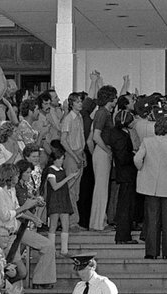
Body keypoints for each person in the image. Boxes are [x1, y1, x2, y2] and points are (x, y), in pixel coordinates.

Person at [0, 164, 56, 289]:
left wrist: (33, 218)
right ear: (9, 176)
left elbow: (17, 210)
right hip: (5, 237)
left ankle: (42, 280)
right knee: (21, 272)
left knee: (47, 245)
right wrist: (26, 206)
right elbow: (5, 216)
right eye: (16, 175)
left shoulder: (12, 190)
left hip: (18, 230)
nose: (17, 177)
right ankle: (1, 287)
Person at [134, 117, 167, 259]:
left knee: (151, 219)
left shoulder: (147, 142)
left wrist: (142, 169)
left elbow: (137, 159)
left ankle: (151, 252)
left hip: (150, 185)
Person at [108, 104, 139, 245]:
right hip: (126, 174)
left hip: (124, 174)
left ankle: (123, 235)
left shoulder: (116, 133)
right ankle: (123, 236)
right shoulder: (121, 136)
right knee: (126, 206)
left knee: (125, 205)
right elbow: (122, 157)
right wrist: (133, 154)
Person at [89, 85, 118, 231]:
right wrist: (107, 150)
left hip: (101, 152)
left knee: (101, 188)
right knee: (101, 189)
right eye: (114, 97)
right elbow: (96, 136)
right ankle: (98, 223)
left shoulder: (103, 112)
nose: (116, 100)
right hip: (102, 152)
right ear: (110, 98)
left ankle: (100, 220)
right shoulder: (102, 113)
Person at [45, 146, 81, 255]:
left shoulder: (62, 170)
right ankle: (51, 249)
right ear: (54, 159)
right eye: (60, 159)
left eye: (62, 159)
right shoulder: (50, 170)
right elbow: (55, 186)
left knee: (66, 225)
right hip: (55, 200)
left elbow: (65, 186)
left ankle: (64, 250)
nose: (61, 161)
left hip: (64, 199)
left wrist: (73, 178)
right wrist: (68, 178)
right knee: (53, 225)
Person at [60, 92, 86, 232]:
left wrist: (81, 155)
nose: (80, 103)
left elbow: (81, 138)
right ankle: (71, 221)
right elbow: (63, 140)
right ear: (71, 103)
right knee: (70, 188)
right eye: (77, 101)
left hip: (79, 153)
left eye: (81, 101)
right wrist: (75, 156)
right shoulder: (68, 118)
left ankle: (74, 220)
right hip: (71, 154)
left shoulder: (79, 117)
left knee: (76, 190)